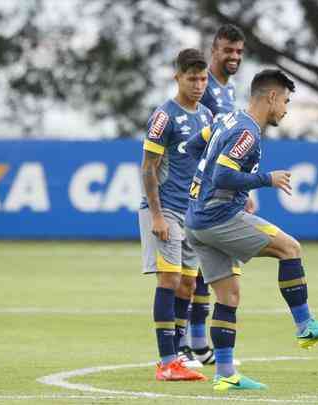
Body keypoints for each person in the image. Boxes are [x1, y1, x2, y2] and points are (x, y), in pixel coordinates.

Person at [185, 69, 318, 391]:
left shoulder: (226, 120)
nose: (286, 109)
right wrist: (265, 180)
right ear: (271, 97)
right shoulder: (248, 132)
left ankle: (225, 374)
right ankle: (305, 325)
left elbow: (191, 147)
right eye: (285, 101)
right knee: (291, 248)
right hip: (219, 219)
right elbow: (222, 177)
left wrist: (214, 189)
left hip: (196, 221)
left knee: (229, 296)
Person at [139, 48, 214, 381]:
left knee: (187, 285)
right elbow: (148, 168)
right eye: (191, 78)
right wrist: (156, 216)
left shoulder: (208, 116)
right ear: (178, 77)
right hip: (165, 209)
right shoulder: (164, 116)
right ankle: (166, 361)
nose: (198, 84)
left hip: (193, 211)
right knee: (168, 280)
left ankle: (178, 357)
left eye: (202, 78)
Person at [185, 24, 253, 366]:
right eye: (228, 50)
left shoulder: (229, 90)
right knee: (192, 270)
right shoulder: (204, 88)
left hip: (221, 189)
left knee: (203, 271)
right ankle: (186, 343)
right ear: (214, 50)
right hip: (203, 191)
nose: (234, 57)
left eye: (239, 51)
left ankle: (198, 345)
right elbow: (200, 143)